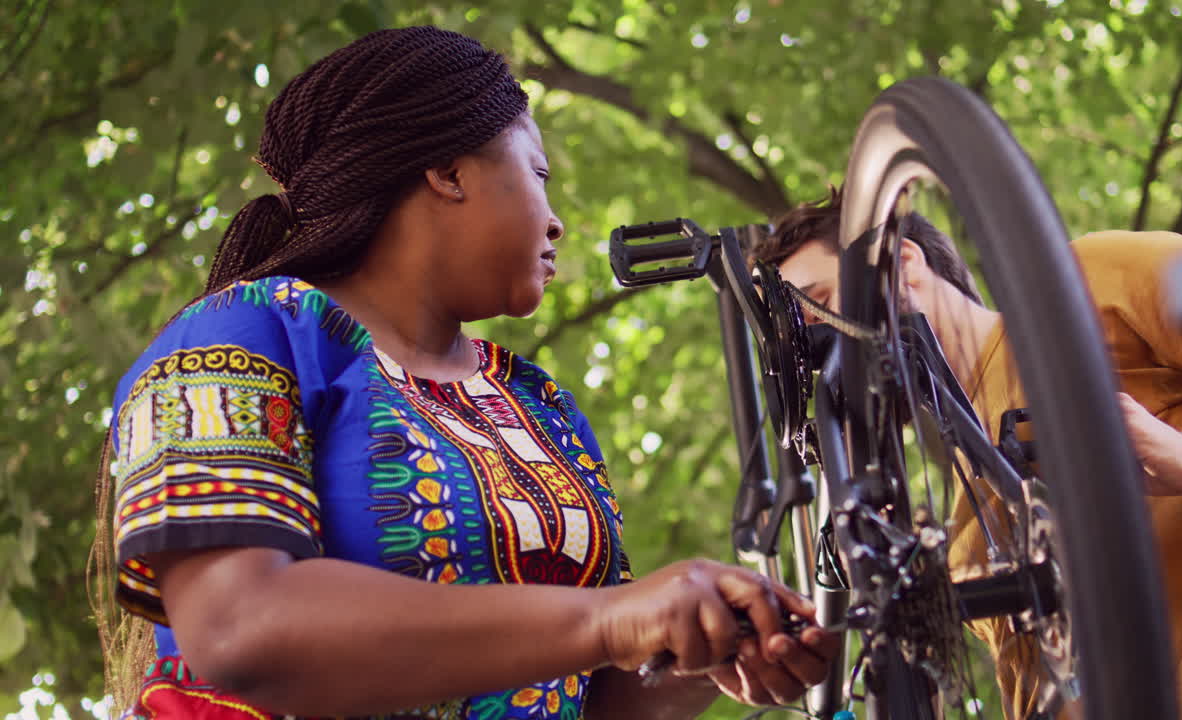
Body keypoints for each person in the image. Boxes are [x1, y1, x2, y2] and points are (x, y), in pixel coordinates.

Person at [92, 26, 840, 720]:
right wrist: (612, 620)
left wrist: (705, 649)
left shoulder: (537, 404)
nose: (556, 221)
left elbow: (591, 691)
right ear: (449, 172)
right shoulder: (241, 333)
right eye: (538, 172)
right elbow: (238, 628)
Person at [752, 185, 1182, 719]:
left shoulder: (1087, 284)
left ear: (901, 263)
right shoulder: (962, 516)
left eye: (820, 309)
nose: (820, 353)